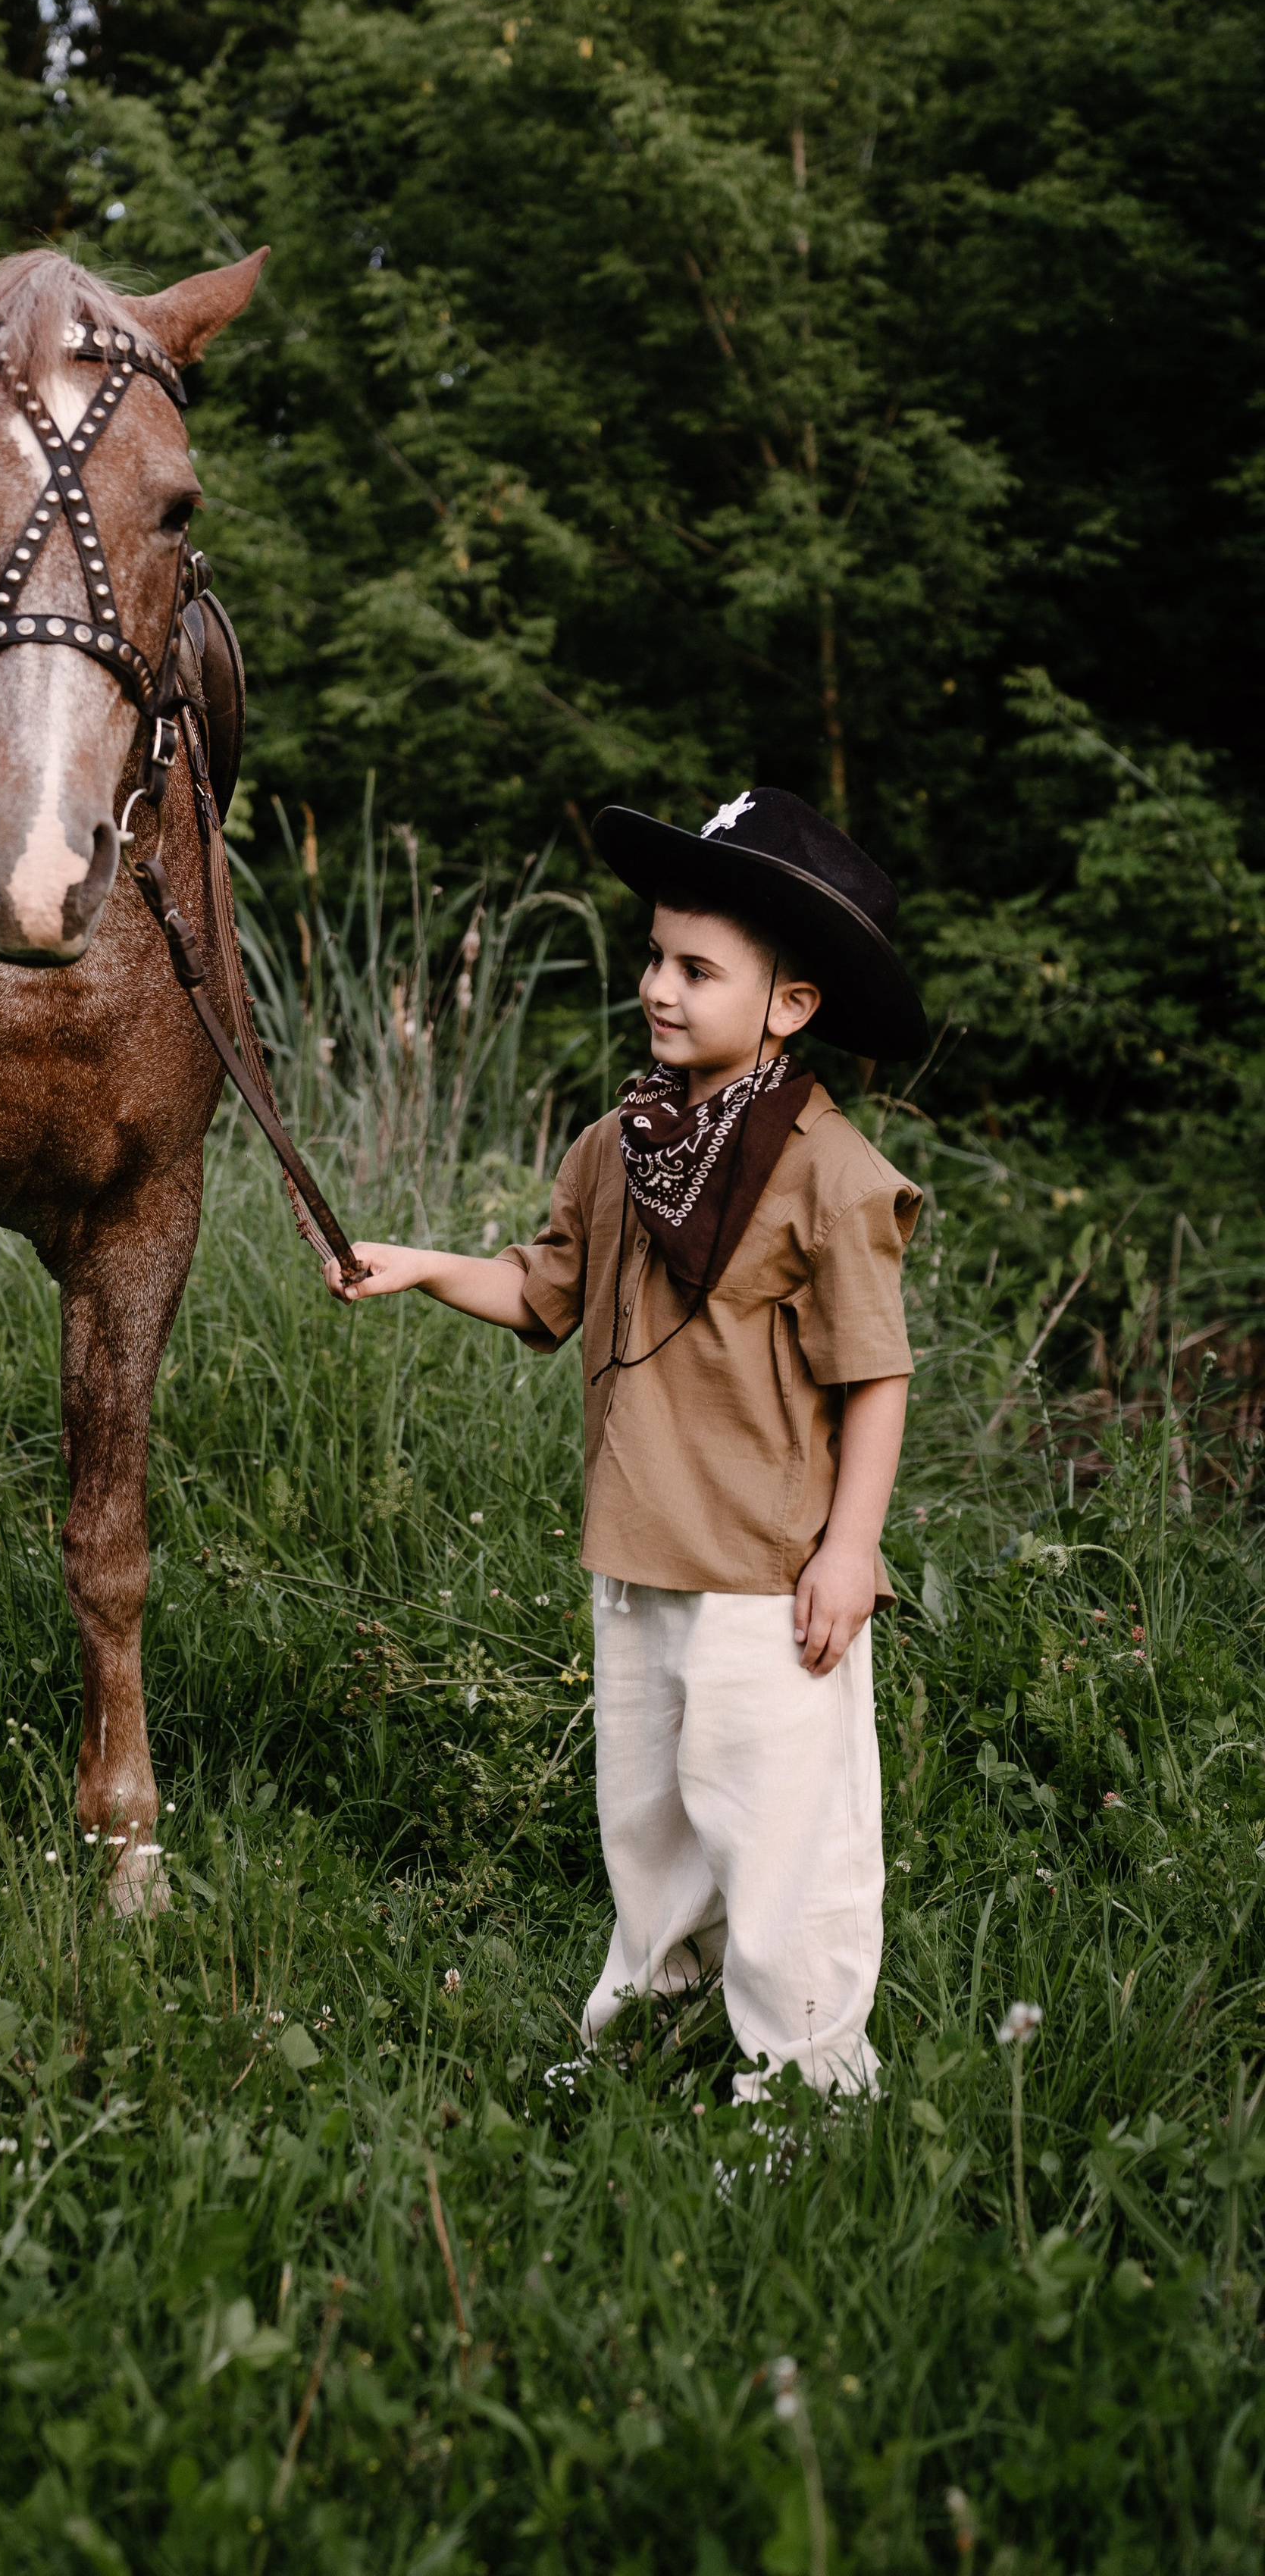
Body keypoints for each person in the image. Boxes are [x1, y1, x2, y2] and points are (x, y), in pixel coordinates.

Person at [330, 787, 926, 2102]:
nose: (658, 987)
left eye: (697, 969)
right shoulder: (622, 1146)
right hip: (640, 1551)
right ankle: (641, 2043)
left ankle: (809, 2087)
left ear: (791, 1006)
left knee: (783, 1847)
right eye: (655, 956)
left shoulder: (833, 1176)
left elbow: (876, 1379)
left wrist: (852, 1550)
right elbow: (546, 1291)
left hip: (771, 1577)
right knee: (649, 1829)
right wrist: (423, 1266)